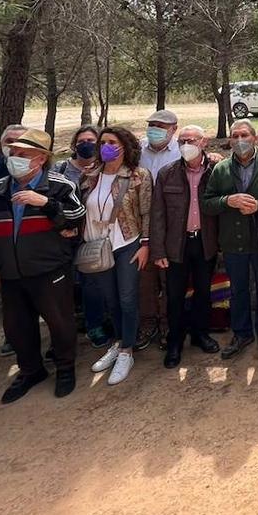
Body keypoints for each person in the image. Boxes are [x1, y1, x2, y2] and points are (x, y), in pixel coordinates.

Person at [0, 129, 86, 404]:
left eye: (23, 155)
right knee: (17, 326)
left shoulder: (60, 185)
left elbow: (76, 219)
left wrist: (47, 204)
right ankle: (30, 370)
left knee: (60, 322)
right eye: (12, 154)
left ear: (40, 159)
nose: (14, 159)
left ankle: (65, 368)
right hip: (10, 272)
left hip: (49, 269)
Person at [201, 119, 258, 360]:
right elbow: (207, 203)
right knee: (238, 290)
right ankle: (242, 333)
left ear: (255, 138)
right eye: (235, 136)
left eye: (244, 136)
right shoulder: (220, 170)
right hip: (233, 241)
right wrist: (226, 201)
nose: (239, 141)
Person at [81, 126, 152, 386]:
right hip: (97, 246)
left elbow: (146, 212)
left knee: (127, 297)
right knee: (110, 299)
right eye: (102, 142)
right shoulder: (90, 176)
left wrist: (146, 244)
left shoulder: (137, 176)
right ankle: (118, 341)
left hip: (127, 244)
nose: (105, 146)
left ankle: (127, 351)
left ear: (125, 146)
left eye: (111, 142)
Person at [151, 125, 222, 368]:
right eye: (181, 141)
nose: (186, 145)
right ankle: (174, 342)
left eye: (191, 140)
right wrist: (158, 251)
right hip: (175, 246)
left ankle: (200, 334)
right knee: (174, 296)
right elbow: (158, 215)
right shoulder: (167, 173)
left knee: (203, 292)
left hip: (205, 242)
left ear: (204, 142)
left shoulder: (217, 171)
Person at [55, 126, 110, 349]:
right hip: (67, 235)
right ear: (74, 145)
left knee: (93, 283)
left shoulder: (104, 168)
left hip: (95, 233)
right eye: (81, 140)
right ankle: (83, 324)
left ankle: (98, 323)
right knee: (74, 284)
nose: (86, 144)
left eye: (91, 140)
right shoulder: (61, 169)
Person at [136, 109, 179, 349]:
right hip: (142, 225)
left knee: (169, 280)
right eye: (152, 125)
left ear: (174, 129)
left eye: (161, 126)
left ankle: (167, 325)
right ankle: (148, 324)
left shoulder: (180, 151)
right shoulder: (138, 150)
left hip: (170, 226)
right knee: (144, 280)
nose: (155, 129)